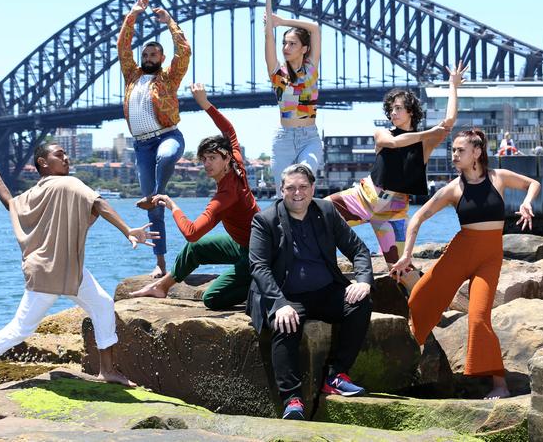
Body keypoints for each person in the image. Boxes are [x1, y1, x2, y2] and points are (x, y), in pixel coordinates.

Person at [0, 144, 158, 394]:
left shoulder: (37, 191)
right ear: (43, 163)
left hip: (67, 268)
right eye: (59, 155)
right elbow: (99, 203)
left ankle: (107, 370)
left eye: (66, 154)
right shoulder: (69, 183)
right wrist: (128, 230)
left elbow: (9, 203)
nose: (66, 158)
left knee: (102, 303)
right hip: (50, 271)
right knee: (21, 328)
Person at [390, 129, 541, 399]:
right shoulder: (453, 189)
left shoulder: (499, 178)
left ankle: (499, 384)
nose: (454, 155)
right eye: (453, 150)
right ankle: (413, 354)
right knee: (421, 296)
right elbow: (417, 218)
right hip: (460, 253)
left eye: (460, 150)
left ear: (477, 153)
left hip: (489, 258)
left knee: (479, 318)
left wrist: (528, 203)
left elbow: (532, 184)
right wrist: (407, 255)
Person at [326, 62, 467, 293]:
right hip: (363, 198)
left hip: (393, 211)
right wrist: (428, 133)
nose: (393, 113)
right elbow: (393, 143)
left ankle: (429, 301)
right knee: (318, 214)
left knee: (399, 267)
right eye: (390, 109)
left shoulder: (425, 143)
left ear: (410, 111)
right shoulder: (383, 133)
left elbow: (449, 120)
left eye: (398, 108)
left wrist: (453, 86)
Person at [248, 164, 373, 420]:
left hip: (325, 290)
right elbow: (258, 267)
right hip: (286, 294)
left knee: (360, 303)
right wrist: (279, 303)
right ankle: (292, 400)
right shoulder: (265, 220)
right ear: (280, 190)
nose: (297, 193)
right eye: (290, 188)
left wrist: (363, 280)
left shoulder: (326, 211)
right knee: (285, 324)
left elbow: (358, 249)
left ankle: (336, 376)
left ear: (313, 188)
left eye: (303, 187)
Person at [129, 84, 260, 309]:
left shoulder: (226, 195)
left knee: (212, 299)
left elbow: (191, 232)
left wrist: (172, 205)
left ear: (226, 158)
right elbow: (229, 130)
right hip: (244, 244)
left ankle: (260, 284)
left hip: (260, 252)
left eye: (212, 158)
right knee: (196, 249)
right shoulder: (237, 163)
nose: (207, 164)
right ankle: (161, 287)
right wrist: (205, 104)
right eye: (204, 159)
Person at [118, 0, 191, 278]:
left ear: (161, 58)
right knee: (154, 213)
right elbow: (123, 46)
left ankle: (157, 194)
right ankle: (160, 264)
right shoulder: (131, 76)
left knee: (167, 155)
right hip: (141, 146)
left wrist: (170, 22)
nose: (148, 58)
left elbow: (183, 51)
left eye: (153, 55)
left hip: (167, 136)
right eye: (145, 55)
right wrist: (134, 14)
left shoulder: (169, 78)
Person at [255, 0, 323, 197]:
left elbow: (314, 28)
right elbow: (268, 38)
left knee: (304, 182)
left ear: (305, 48)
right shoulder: (277, 72)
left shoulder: (311, 68)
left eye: (292, 43)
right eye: (284, 43)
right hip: (284, 139)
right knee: (284, 193)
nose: (286, 47)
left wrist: (283, 22)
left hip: (309, 137)